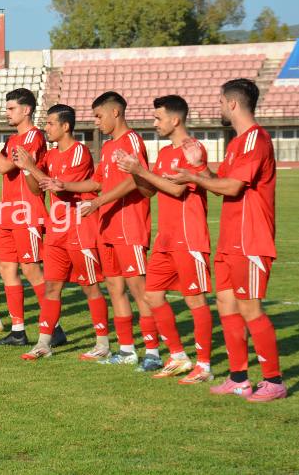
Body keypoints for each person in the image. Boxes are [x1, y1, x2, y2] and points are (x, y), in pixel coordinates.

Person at [166, 78, 286, 402]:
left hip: (251, 238)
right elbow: (222, 185)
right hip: (231, 239)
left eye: (220, 102)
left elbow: (233, 187)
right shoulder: (236, 144)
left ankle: (273, 381)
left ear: (232, 103)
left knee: (250, 309)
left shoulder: (256, 139)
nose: (219, 107)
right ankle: (239, 379)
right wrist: (200, 168)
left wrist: (192, 176)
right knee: (226, 305)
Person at [42, 91, 159, 368]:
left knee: (138, 290)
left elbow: (135, 180)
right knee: (115, 289)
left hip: (129, 225)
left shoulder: (132, 140)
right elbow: (96, 183)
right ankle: (127, 350)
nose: (96, 122)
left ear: (115, 112)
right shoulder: (107, 148)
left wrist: (98, 202)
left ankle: (153, 352)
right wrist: (65, 186)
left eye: (98, 116)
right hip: (107, 227)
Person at [116, 95, 214, 384]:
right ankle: (178, 356)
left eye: (158, 118)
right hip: (166, 238)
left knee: (194, 300)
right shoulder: (164, 153)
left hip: (189, 236)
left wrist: (141, 171)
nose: (154, 122)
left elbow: (177, 190)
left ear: (175, 119)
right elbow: (151, 191)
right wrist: (135, 173)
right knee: (153, 295)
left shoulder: (192, 149)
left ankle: (204, 365)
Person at [13, 104, 110, 360]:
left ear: (65, 126)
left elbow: (60, 187)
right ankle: (43, 344)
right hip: (57, 229)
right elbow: (37, 189)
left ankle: (102, 343)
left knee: (89, 287)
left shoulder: (79, 152)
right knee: (51, 287)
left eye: (50, 123)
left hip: (80, 227)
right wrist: (27, 168)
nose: (46, 128)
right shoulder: (51, 155)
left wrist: (31, 167)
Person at [0, 88, 66, 347]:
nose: (7, 113)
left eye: (11, 108)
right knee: (7, 269)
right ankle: (18, 331)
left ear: (26, 110)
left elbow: (5, 167)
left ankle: (54, 327)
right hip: (9, 214)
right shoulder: (14, 139)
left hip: (27, 213)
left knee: (31, 270)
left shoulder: (34, 136)